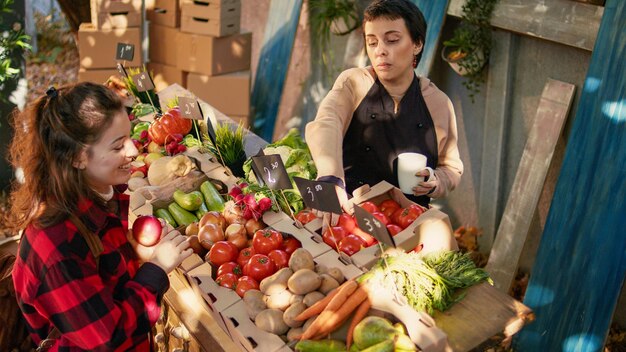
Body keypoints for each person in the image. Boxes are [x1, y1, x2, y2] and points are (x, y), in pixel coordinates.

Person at [6, 82, 193, 351]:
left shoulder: (98, 197)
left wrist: (132, 251)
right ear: (78, 157)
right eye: (118, 146)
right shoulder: (57, 245)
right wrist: (157, 269)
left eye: (128, 137)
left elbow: (104, 275)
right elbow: (109, 337)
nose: (132, 151)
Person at [305, 0, 463, 218]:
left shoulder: (438, 103)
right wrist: (330, 177)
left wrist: (436, 180)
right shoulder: (354, 83)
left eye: (392, 40)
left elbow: (451, 168)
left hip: (409, 223)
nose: (380, 50)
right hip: (349, 215)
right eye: (372, 42)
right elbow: (326, 123)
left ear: (417, 44)